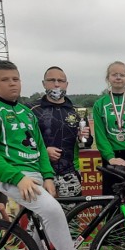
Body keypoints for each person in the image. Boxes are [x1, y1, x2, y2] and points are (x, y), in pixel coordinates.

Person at [0, 60, 86, 250]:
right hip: (12, 176)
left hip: (35, 175)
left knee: (39, 227)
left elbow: (41, 149)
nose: (12, 83)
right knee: (54, 211)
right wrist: (18, 178)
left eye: (15, 78)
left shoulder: (25, 112)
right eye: (5, 80)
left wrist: (47, 177)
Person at [26, 66, 93, 209]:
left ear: (66, 84)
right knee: (38, 221)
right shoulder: (30, 110)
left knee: (71, 222)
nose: (56, 84)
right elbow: (23, 142)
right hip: (38, 173)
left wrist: (83, 138)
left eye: (60, 81)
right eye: (51, 80)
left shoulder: (77, 111)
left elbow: (86, 144)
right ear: (44, 83)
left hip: (69, 174)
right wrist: (44, 151)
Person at [92, 61, 125, 208]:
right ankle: (112, 231)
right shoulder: (99, 104)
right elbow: (100, 134)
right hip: (111, 158)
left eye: (122, 74)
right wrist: (110, 158)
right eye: (114, 74)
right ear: (108, 78)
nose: (118, 77)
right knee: (111, 200)